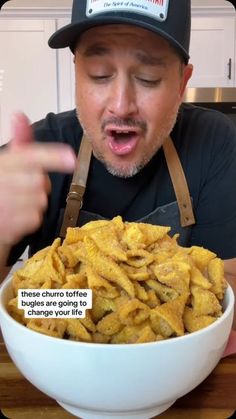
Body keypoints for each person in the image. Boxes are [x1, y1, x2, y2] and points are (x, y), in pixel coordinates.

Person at [0, 0, 235, 327]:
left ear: (182, 84)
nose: (121, 105)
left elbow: (223, 293)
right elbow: (22, 302)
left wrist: (98, 307)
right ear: (76, 75)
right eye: (99, 75)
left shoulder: (216, 142)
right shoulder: (36, 150)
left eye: (149, 77)